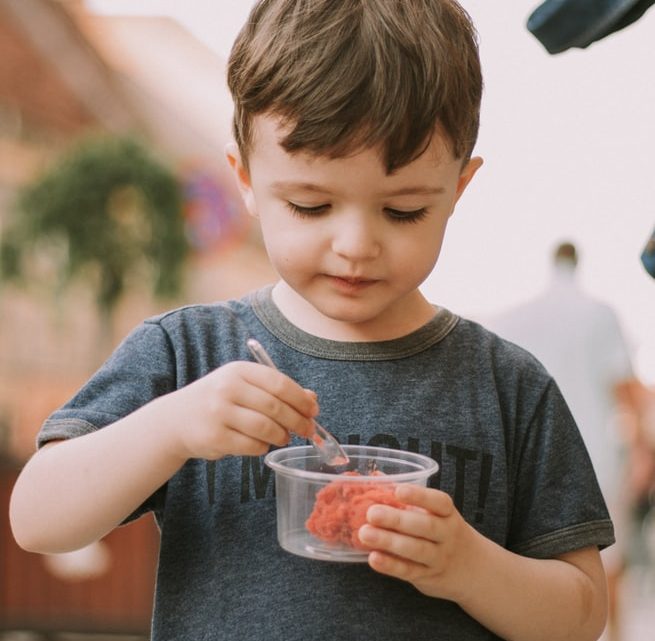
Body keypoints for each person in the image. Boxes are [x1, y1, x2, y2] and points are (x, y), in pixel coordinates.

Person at [10, 2, 612, 640]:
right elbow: (38, 518)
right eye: (310, 204)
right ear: (245, 178)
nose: (355, 243)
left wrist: (467, 565)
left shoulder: (507, 386)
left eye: (403, 210)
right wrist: (172, 427)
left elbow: (581, 616)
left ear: (458, 189)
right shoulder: (190, 354)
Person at [487, 241, 634, 641]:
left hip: (528, 457)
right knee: (608, 569)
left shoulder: (516, 318)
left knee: (528, 568)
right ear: (579, 263)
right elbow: (624, 390)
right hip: (596, 457)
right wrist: (642, 454)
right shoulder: (600, 315)